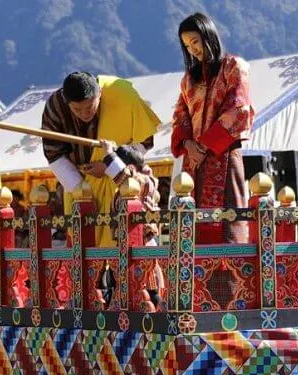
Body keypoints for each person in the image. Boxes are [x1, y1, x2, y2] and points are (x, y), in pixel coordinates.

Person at [171, 13, 255, 309]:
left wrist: (206, 144)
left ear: (209, 35)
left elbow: (239, 108)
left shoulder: (234, 67)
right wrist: (188, 143)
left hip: (224, 157)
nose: (193, 49)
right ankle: (198, 300)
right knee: (193, 227)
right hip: (194, 165)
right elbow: (180, 115)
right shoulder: (188, 80)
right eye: (187, 45)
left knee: (227, 225)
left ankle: (229, 301)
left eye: (196, 41)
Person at [41, 72, 161, 247]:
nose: (84, 113)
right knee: (84, 255)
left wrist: (108, 164)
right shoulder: (55, 108)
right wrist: (81, 191)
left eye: (90, 107)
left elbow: (144, 140)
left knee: (132, 248)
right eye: (77, 109)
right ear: (68, 104)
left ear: (100, 95)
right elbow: (54, 154)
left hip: (123, 184)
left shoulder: (121, 95)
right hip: (81, 185)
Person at [101, 139, 164, 311]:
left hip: (142, 239)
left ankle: (156, 314)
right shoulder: (138, 180)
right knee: (125, 280)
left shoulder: (142, 181)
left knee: (149, 283)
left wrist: (109, 154)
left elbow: (123, 175)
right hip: (128, 239)